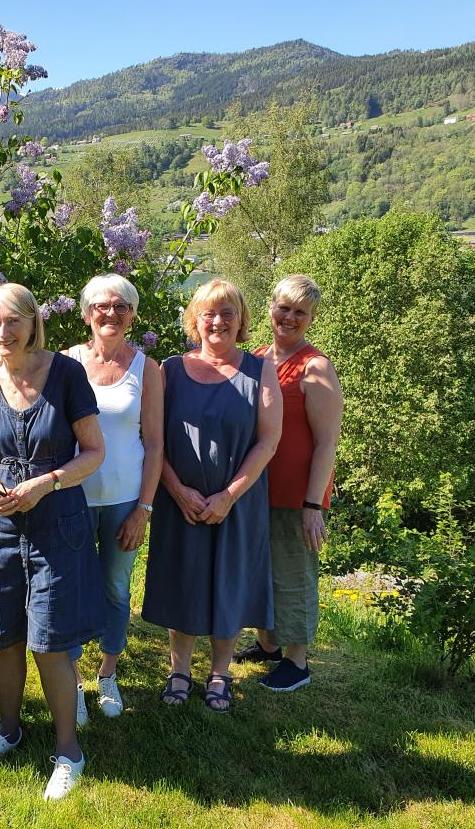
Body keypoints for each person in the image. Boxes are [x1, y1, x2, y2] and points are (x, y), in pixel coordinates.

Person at [0, 283, 105, 801]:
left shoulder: (66, 374)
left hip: (58, 528)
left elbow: (94, 452)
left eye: (13, 321)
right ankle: (8, 729)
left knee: (50, 643)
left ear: (32, 322)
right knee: (4, 638)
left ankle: (69, 752)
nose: (3, 332)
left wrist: (46, 483)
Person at [141, 278, 282, 713]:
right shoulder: (169, 370)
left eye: (227, 313)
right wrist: (177, 490)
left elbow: (268, 441)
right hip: (178, 500)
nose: (217, 321)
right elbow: (153, 440)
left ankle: (220, 673)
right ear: (194, 320)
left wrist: (229, 496)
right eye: (208, 313)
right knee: (182, 581)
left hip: (237, 503)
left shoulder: (260, 370)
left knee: (230, 583)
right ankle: (179, 670)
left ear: (241, 321)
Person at [233, 275, 343, 691]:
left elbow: (327, 442)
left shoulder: (315, 367)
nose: (290, 317)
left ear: (311, 318)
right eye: (284, 308)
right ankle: (268, 646)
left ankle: (297, 663)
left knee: (293, 575)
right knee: (259, 571)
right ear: (270, 308)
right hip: (255, 489)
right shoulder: (258, 357)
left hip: (296, 496)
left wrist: (313, 505)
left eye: (301, 312)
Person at [64, 275, 162, 723]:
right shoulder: (66, 363)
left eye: (122, 306)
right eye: (102, 306)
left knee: (115, 589)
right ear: (87, 313)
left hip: (126, 500)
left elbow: (155, 444)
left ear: (132, 315)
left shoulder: (147, 369)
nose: (111, 313)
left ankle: (107, 673)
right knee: (68, 587)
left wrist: (144, 509)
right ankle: (71, 681)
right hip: (72, 497)